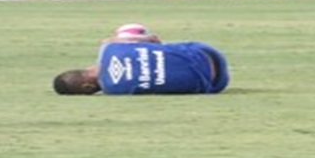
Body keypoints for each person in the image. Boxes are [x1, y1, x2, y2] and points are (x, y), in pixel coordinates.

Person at [53, 33, 230, 95]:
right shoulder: (108, 47)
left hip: (214, 83)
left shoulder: (115, 91)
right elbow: (154, 39)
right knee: (164, 48)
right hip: (209, 53)